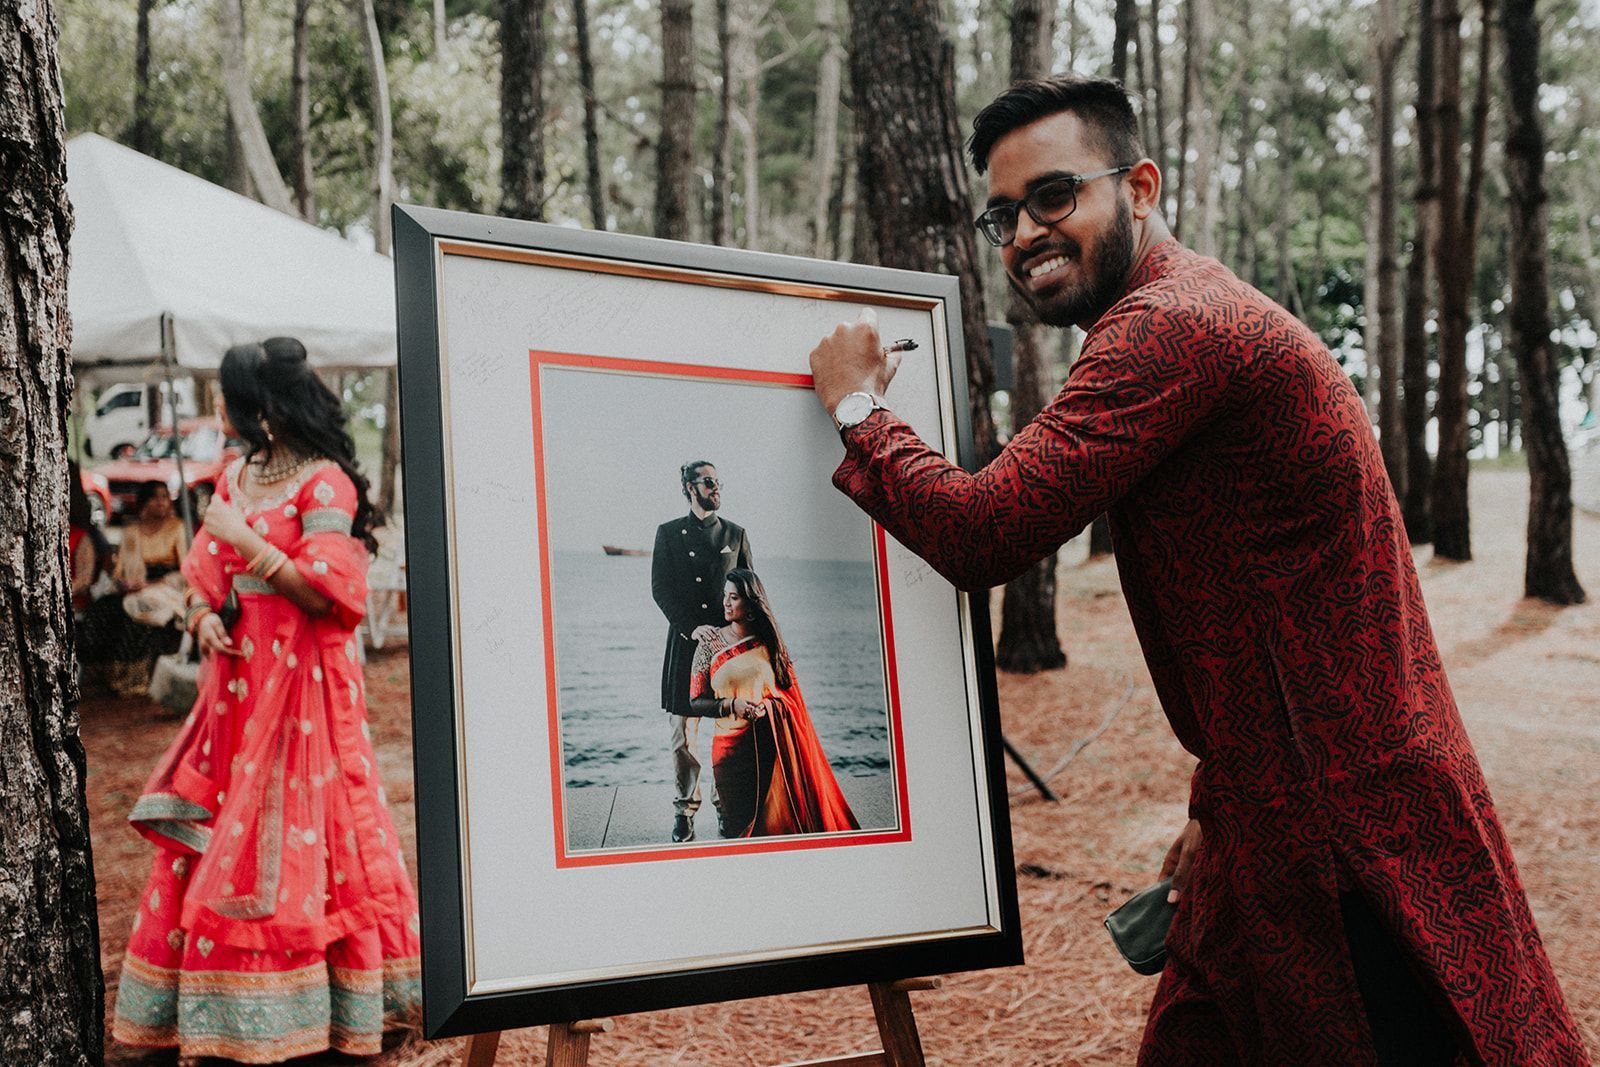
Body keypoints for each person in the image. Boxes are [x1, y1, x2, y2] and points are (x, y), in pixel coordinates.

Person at [806, 77, 1587, 1065]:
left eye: (1054, 196)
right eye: (1003, 214)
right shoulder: (1175, 316)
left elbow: (985, 530)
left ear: (1138, 186)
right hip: (1269, 812)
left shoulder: (1169, 325)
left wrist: (853, 408)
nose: (1024, 233)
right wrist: (1218, 801)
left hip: (1345, 843)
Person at [112, 337, 420, 1062]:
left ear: (263, 408)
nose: (218, 408)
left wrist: (248, 542)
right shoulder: (236, 474)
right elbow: (203, 577)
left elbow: (330, 594)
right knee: (225, 835)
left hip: (303, 692)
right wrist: (202, 616)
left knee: (308, 835)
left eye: (224, 396)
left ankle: (315, 1010)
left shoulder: (325, 485)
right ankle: (212, 1008)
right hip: (237, 690)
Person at [685, 569, 858, 837]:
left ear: (751, 603)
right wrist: (732, 705)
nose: (726, 603)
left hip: (768, 746)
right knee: (734, 825)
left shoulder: (771, 643)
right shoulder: (710, 644)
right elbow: (695, 701)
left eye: (734, 597)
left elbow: (790, 697)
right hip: (729, 751)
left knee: (772, 823)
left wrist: (768, 707)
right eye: (725, 596)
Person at [651, 460, 753, 842]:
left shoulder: (735, 534)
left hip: (728, 650)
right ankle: (684, 812)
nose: (716, 488)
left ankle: (726, 809)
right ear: (689, 488)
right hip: (685, 645)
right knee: (683, 737)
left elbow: (750, 589)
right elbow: (661, 589)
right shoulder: (669, 534)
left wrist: (753, 638)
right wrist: (692, 627)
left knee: (727, 736)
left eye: (717, 481)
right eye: (708, 482)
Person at [81, 480, 187, 695]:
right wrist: (125, 584)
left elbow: (185, 569)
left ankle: (132, 679)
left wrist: (151, 583)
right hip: (134, 586)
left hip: (166, 585)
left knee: (139, 617)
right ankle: (101, 676)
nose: (161, 503)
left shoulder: (177, 528)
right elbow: (119, 571)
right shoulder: (131, 531)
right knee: (100, 611)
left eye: (164, 497)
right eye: (155, 498)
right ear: (144, 502)